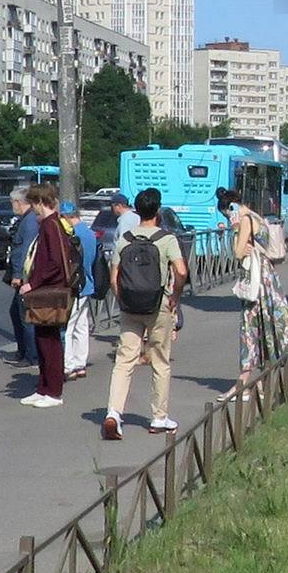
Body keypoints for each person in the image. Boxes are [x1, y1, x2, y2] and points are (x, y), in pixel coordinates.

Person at [104, 186, 189, 439]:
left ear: (137, 210)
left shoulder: (125, 239)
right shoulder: (166, 239)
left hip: (130, 306)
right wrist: (174, 296)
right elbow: (181, 271)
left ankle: (113, 413)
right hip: (158, 305)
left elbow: (114, 278)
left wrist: (122, 299)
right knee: (160, 361)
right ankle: (159, 417)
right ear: (158, 210)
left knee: (124, 361)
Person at [223, 186, 288, 395]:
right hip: (267, 277)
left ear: (231, 207)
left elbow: (237, 252)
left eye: (227, 212)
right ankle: (263, 379)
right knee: (265, 324)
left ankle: (243, 385)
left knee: (250, 327)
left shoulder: (244, 220)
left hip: (256, 279)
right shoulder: (257, 217)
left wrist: (234, 230)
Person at [16, 188, 78, 408]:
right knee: (43, 338)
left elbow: (53, 263)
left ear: (41, 202)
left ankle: (53, 391)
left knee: (50, 342)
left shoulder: (51, 226)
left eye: (33, 204)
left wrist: (33, 283)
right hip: (49, 289)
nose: (32, 210)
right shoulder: (54, 224)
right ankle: (43, 388)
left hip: (49, 290)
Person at [63, 197, 103, 379]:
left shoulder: (71, 235)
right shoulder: (89, 234)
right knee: (81, 326)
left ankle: (68, 365)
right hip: (88, 284)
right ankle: (80, 363)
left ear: (65, 217)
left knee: (69, 327)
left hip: (74, 286)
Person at [3, 190, 41, 365]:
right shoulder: (27, 220)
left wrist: (19, 276)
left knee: (25, 317)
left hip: (26, 277)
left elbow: (26, 251)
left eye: (13, 203)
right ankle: (24, 351)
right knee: (16, 313)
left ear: (19, 202)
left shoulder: (30, 222)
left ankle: (30, 355)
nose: (12, 206)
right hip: (24, 276)